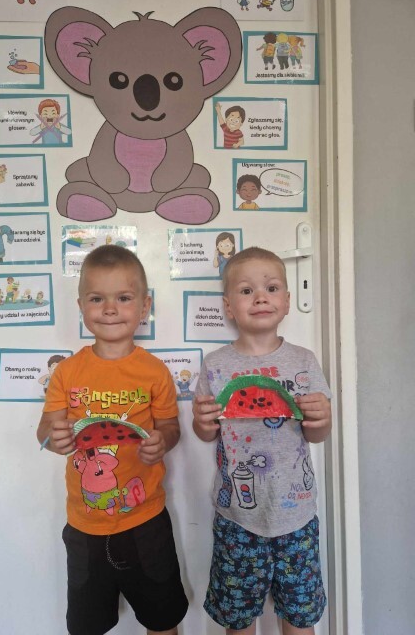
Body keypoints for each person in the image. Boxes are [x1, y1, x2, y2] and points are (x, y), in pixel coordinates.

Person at [37, 245, 188, 635]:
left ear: (144, 306)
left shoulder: (155, 372)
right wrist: (54, 438)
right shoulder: (67, 372)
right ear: (81, 306)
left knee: (163, 620)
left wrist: (163, 440)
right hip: (84, 526)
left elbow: (171, 427)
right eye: (96, 299)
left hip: (146, 522)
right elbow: (45, 430)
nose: (109, 309)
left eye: (123, 298)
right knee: (87, 626)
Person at [192, 246, 331, 635]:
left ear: (286, 301)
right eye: (246, 290)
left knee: (300, 617)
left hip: (297, 515)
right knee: (238, 620)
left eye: (271, 288)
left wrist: (323, 418)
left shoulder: (304, 361)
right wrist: (201, 422)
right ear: (228, 306)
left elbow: (317, 434)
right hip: (237, 517)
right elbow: (206, 434)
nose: (260, 298)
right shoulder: (216, 365)